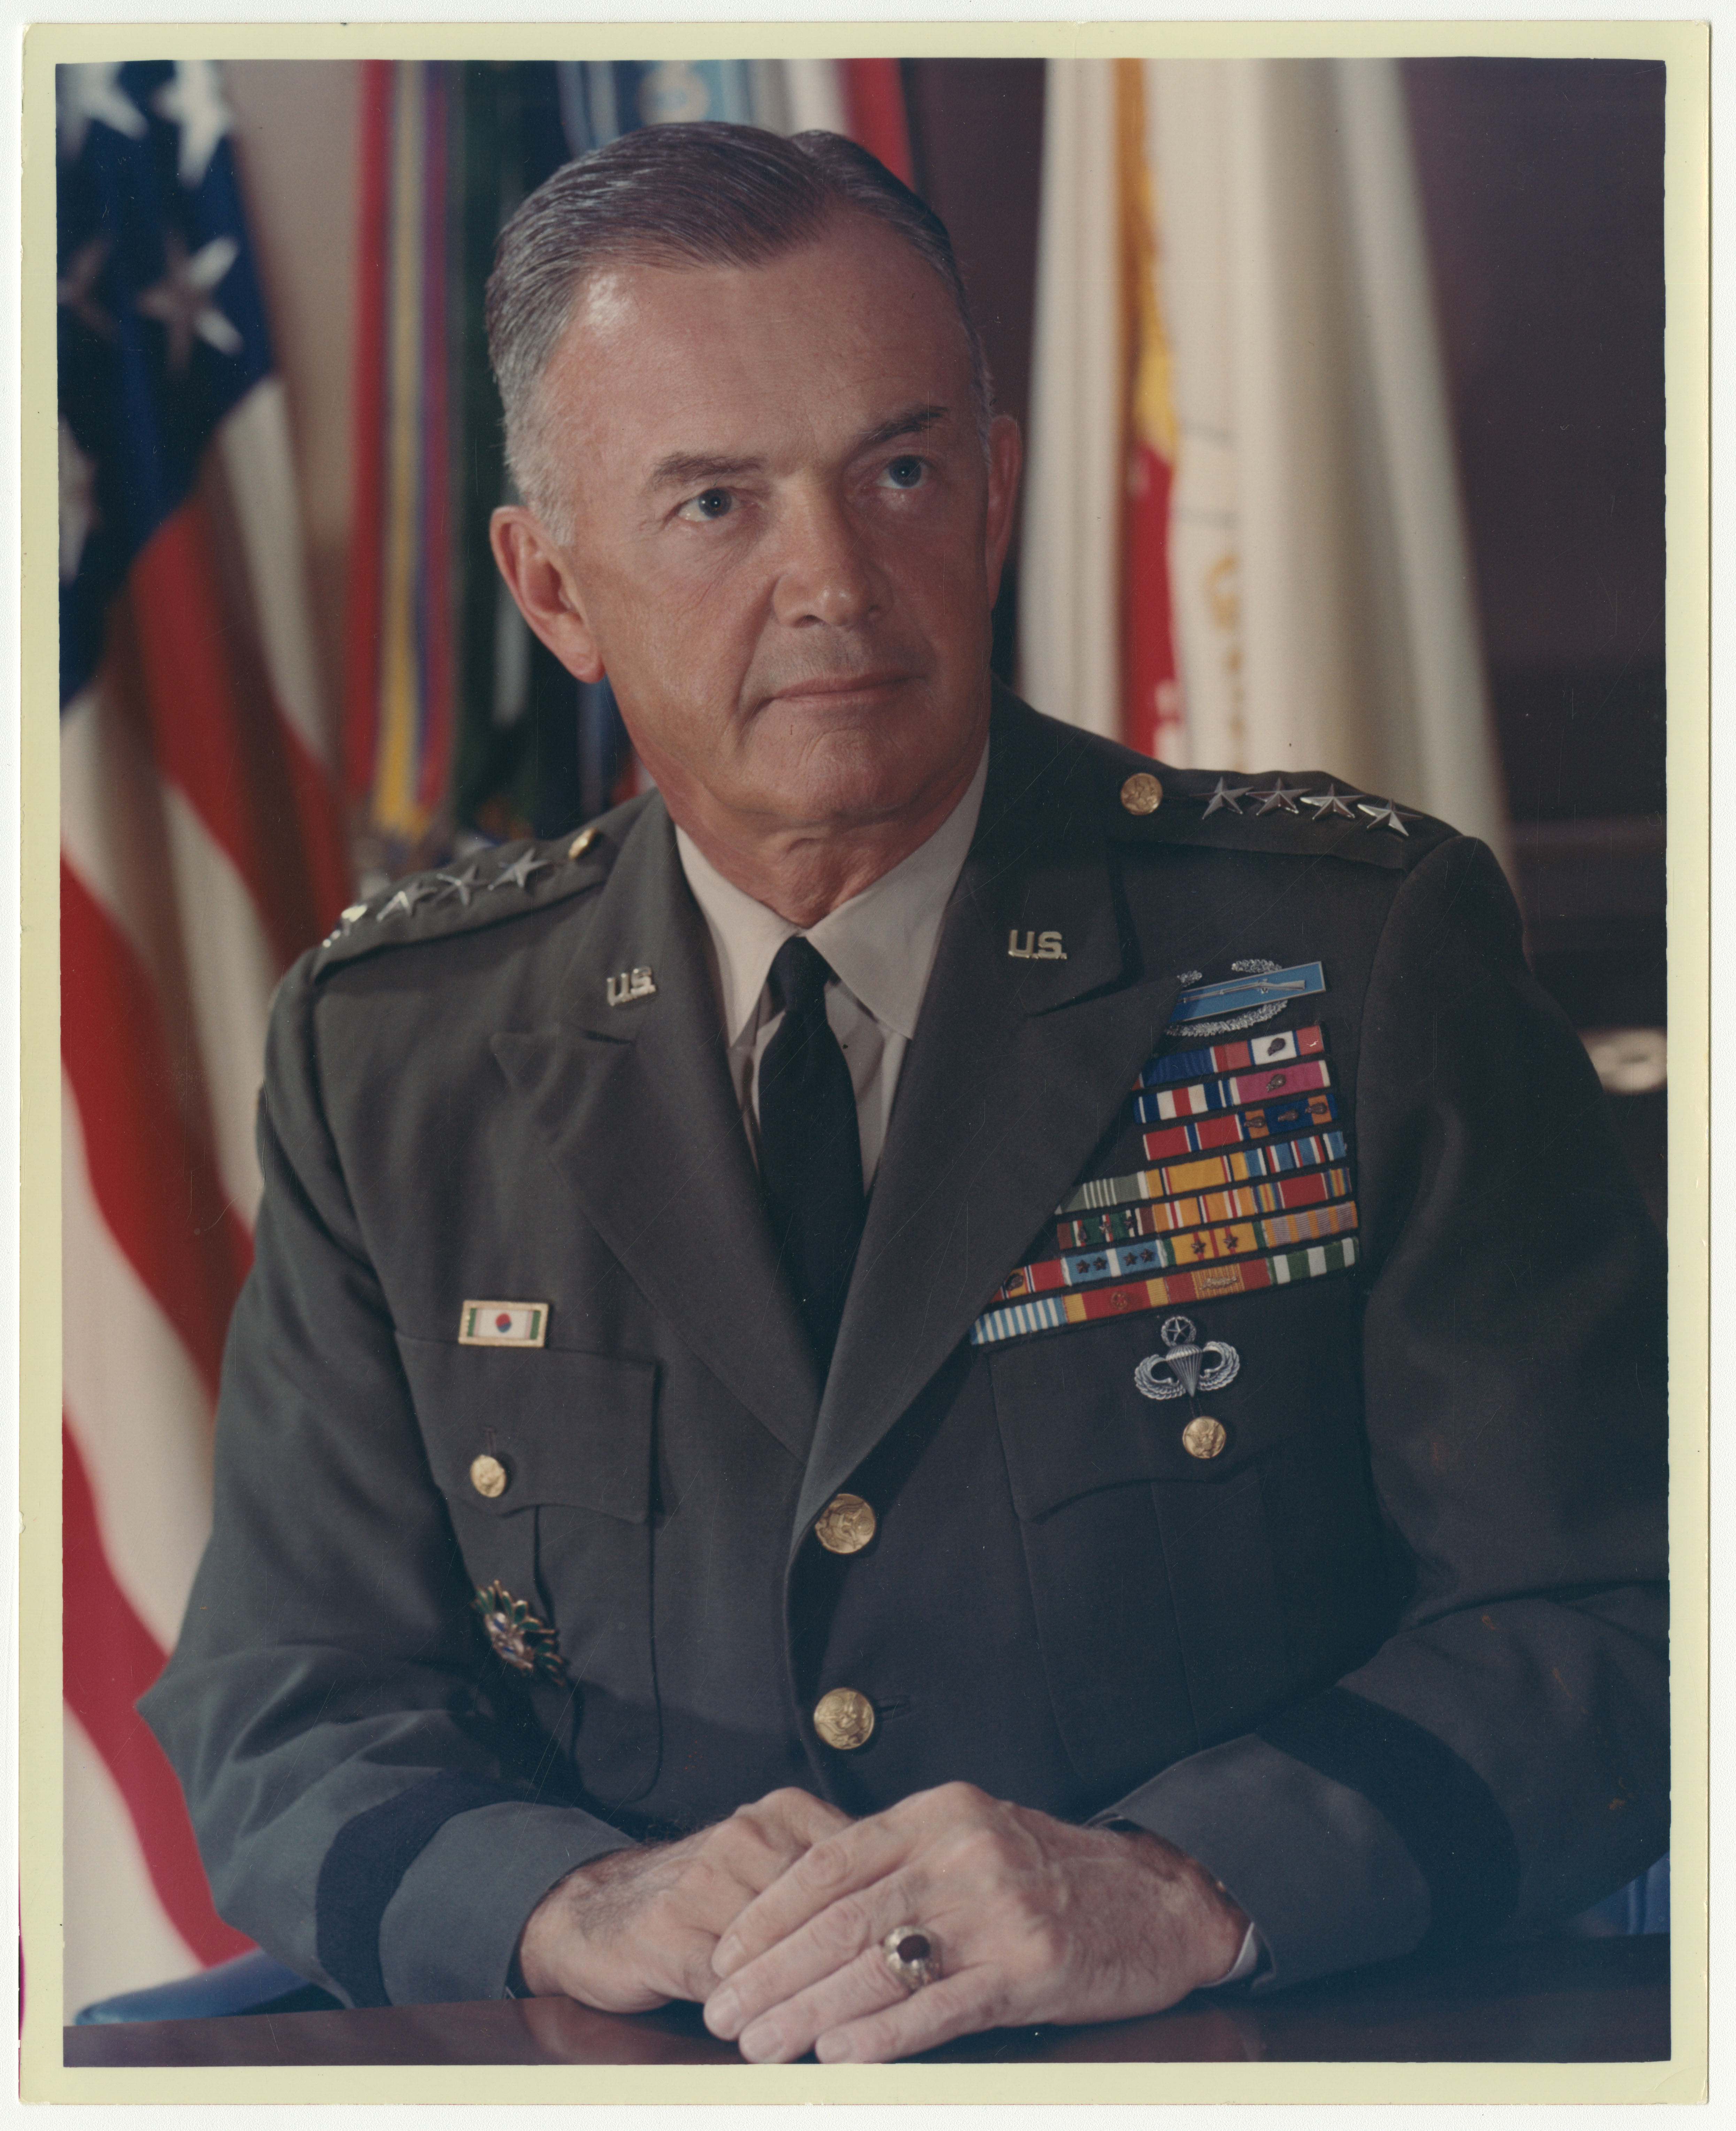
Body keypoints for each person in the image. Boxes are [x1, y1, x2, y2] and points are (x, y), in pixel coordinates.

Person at [142, 122, 1667, 2065]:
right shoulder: (395, 1053)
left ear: (999, 487)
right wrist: (559, 1895)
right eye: (712, 504)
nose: (833, 580)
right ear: (552, 589)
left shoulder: (1349, 955)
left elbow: (1620, 1610)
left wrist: (1185, 1877)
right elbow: (287, 1698)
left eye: (900, 469)